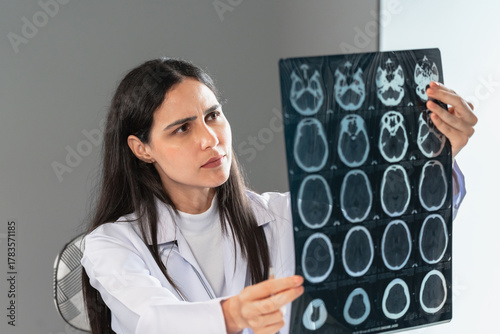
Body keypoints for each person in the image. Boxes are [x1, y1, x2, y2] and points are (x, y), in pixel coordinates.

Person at [81, 58, 477, 334]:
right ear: (141, 148)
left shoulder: (283, 215)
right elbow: (152, 320)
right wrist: (233, 313)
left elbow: (387, 230)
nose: (210, 139)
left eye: (213, 115)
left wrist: (437, 155)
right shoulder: (113, 244)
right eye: (182, 129)